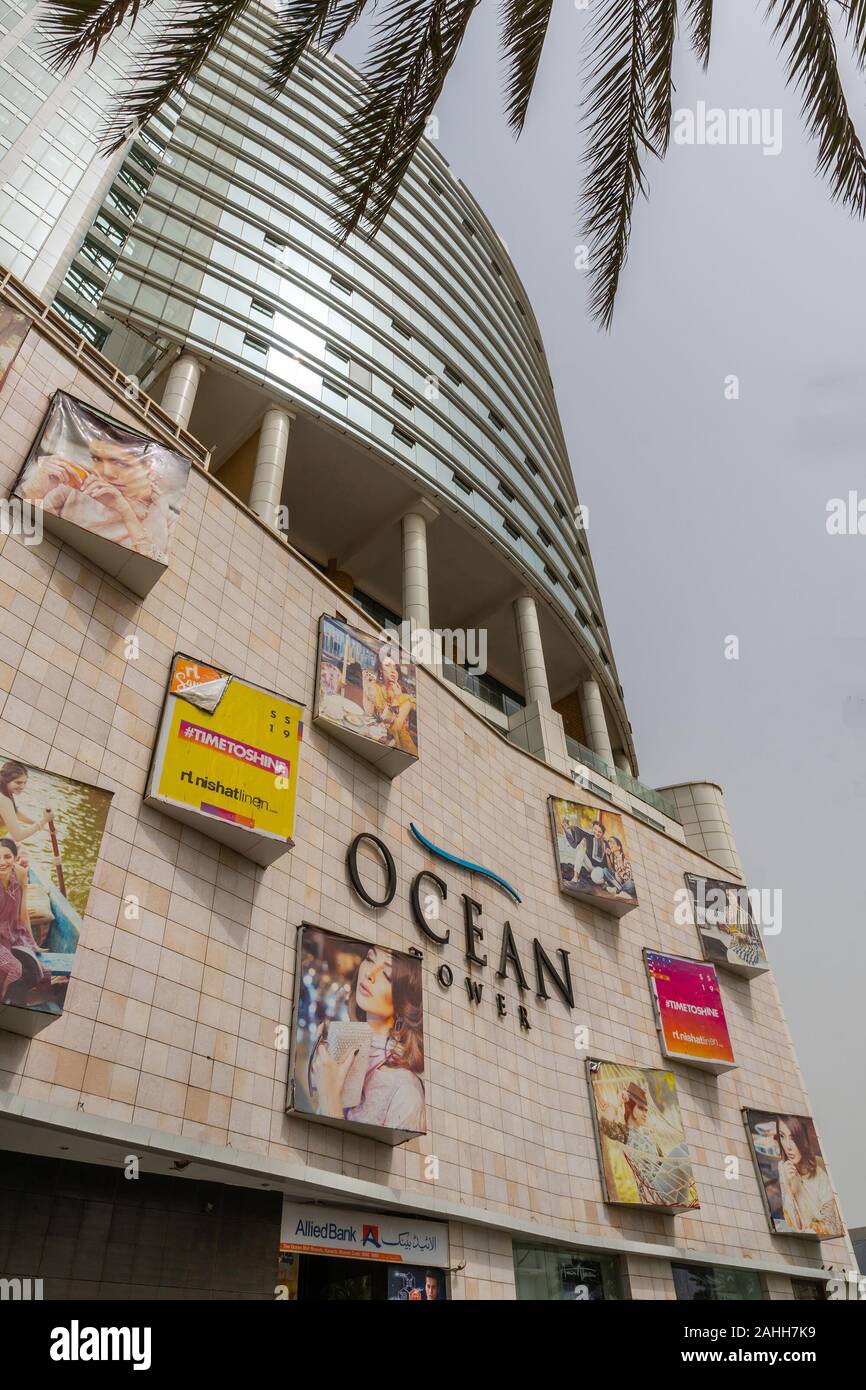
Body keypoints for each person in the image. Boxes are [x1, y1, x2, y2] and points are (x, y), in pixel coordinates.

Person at [310, 944, 426, 1132]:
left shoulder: (406, 1092)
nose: (370, 974)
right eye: (370, 959)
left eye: (387, 975)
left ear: (404, 1002)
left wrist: (330, 1097)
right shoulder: (346, 1049)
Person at [21, 432, 178, 561]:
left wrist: (125, 510)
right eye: (97, 459)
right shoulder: (78, 485)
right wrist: (37, 490)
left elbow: (150, 567)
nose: (107, 473)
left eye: (120, 463)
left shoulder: (165, 516)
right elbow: (31, 523)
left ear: (148, 469)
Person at [0, 838, 49, 1003]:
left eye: (7, 857)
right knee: (15, 969)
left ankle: (13, 1001)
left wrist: (33, 942)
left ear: (14, 858)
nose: (2, 862)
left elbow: (23, 914)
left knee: (42, 973)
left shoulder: (20, 873)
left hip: (14, 933)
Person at [775, 1116, 841, 1236]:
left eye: (793, 1138)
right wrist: (793, 1189)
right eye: (782, 1136)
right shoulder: (784, 1167)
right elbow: (791, 1225)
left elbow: (832, 1227)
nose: (788, 1146)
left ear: (803, 1140)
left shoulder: (821, 1177)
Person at [362, 648, 417, 754]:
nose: (392, 670)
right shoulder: (375, 687)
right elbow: (368, 712)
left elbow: (394, 728)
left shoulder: (406, 698)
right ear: (380, 669)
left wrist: (396, 699)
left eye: (395, 667)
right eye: (388, 665)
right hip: (376, 738)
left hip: (400, 747)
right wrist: (366, 686)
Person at [597, 1081, 664, 1158]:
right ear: (629, 1108)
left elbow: (663, 1160)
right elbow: (605, 1124)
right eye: (641, 1108)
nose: (645, 1114)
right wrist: (619, 1100)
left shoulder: (648, 1135)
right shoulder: (626, 1133)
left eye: (646, 1110)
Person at [0, 761, 53, 847]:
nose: (22, 787)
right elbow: (18, 836)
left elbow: (15, 813)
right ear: (5, 780)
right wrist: (44, 821)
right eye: (18, 782)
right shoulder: (4, 800)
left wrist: (41, 826)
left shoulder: (4, 794)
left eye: (25, 783)